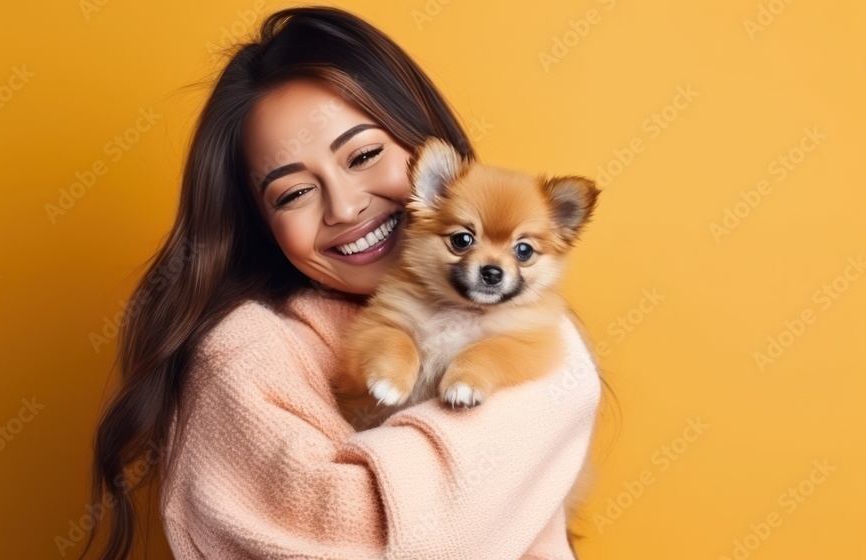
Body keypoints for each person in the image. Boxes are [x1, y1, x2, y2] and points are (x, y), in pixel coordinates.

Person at [82, 6, 608, 560]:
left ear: (422, 149)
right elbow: (357, 534)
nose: (346, 206)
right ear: (259, 224)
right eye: (292, 193)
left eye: (363, 155)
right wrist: (553, 400)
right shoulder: (242, 352)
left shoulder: (525, 319)